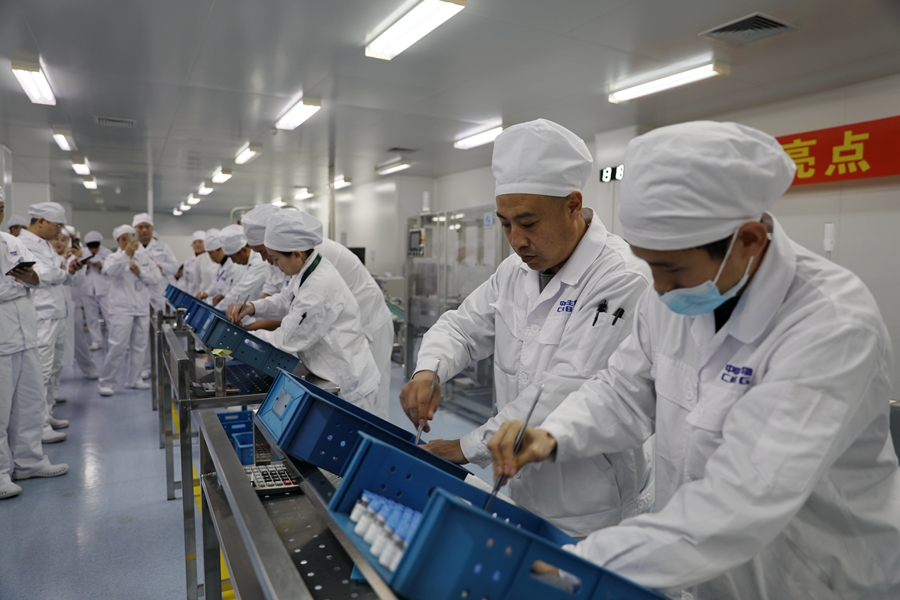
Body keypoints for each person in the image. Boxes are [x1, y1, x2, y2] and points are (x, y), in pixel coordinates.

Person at [488, 121, 900, 599]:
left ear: (749, 240)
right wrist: (553, 433)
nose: (658, 288)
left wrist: (575, 566)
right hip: (699, 571)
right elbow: (624, 391)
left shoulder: (831, 326)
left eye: (671, 267)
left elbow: (744, 498)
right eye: (649, 263)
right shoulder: (675, 295)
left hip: (813, 577)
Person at [399, 119, 652, 537]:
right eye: (505, 224)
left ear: (572, 205)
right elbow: (462, 327)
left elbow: (566, 388)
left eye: (529, 223)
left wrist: (466, 447)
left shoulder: (619, 277)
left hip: (593, 507)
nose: (516, 240)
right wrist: (429, 370)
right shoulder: (514, 271)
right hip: (521, 485)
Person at [241, 205, 395, 414]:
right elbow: (286, 299)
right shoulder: (306, 263)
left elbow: (289, 337)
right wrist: (253, 307)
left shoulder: (316, 284)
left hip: (362, 342)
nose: (272, 263)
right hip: (338, 350)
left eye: (273, 258)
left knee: (372, 415)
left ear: (295, 254)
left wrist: (244, 338)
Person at [0, 193, 68, 499]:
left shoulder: (11, 242)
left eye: (2, 208)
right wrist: (17, 286)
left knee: (28, 402)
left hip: (26, 332)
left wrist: (27, 279)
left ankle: (29, 461)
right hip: (3, 337)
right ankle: (0, 473)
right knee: (1, 408)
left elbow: (36, 279)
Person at [18, 202, 83, 443]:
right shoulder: (23, 243)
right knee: (41, 373)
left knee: (54, 368)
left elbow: (56, 273)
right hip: (42, 315)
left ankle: (47, 414)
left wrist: (66, 270)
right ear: (41, 221)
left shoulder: (44, 244)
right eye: (56, 226)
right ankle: (39, 426)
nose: (58, 232)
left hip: (56, 313)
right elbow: (40, 274)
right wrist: (59, 271)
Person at [98, 225, 161, 397]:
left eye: (130, 238)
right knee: (118, 346)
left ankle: (134, 379)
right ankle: (107, 382)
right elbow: (111, 272)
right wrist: (126, 255)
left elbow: (156, 278)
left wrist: (140, 272)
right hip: (122, 309)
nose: (127, 242)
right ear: (118, 241)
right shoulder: (113, 258)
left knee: (140, 346)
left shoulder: (144, 258)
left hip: (141, 308)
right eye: (123, 239)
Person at [132, 213, 179, 378]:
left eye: (147, 227)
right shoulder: (131, 248)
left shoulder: (163, 247)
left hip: (159, 295)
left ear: (152, 229)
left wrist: (157, 265)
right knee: (141, 335)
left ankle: (163, 365)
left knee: (161, 333)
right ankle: (145, 367)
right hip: (137, 297)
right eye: (140, 227)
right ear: (135, 229)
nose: (144, 230)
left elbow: (174, 267)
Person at [53, 228, 98, 381]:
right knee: (52, 344)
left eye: (64, 240)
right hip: (52, 307)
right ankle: (54, 378)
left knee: (78, 339)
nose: (60, 243)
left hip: (72, 303)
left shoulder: (73, 258)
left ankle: (89, 367)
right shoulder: (47, 257)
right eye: (57, 239)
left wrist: (79, 261)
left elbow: (79, 281)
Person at [219, 224, 268, 314]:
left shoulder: (260, 261)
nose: (233, 262)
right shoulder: (248, 262)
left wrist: (219, 308)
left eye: (233, 257)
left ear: (244, 250)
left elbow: (243, 289)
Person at [81, 231, 112, 351]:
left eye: (95, 247)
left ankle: (114, 340)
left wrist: (101, 266)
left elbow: (113, 270)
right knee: (91, 317)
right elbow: (78, 270)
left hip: (104, 290)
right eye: (91, 247)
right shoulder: (83, 253)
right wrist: (87, 265)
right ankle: (96, 341)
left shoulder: (107, 253)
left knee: (110, 316)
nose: (93, 250)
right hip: (87, 289)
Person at [181, 230, 216, 297]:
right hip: (192, 295)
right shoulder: (188, 262)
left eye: (200, 242)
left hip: (207, 295)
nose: (197, 244)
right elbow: (185, 282)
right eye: (194, 242)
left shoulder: (213, 259)